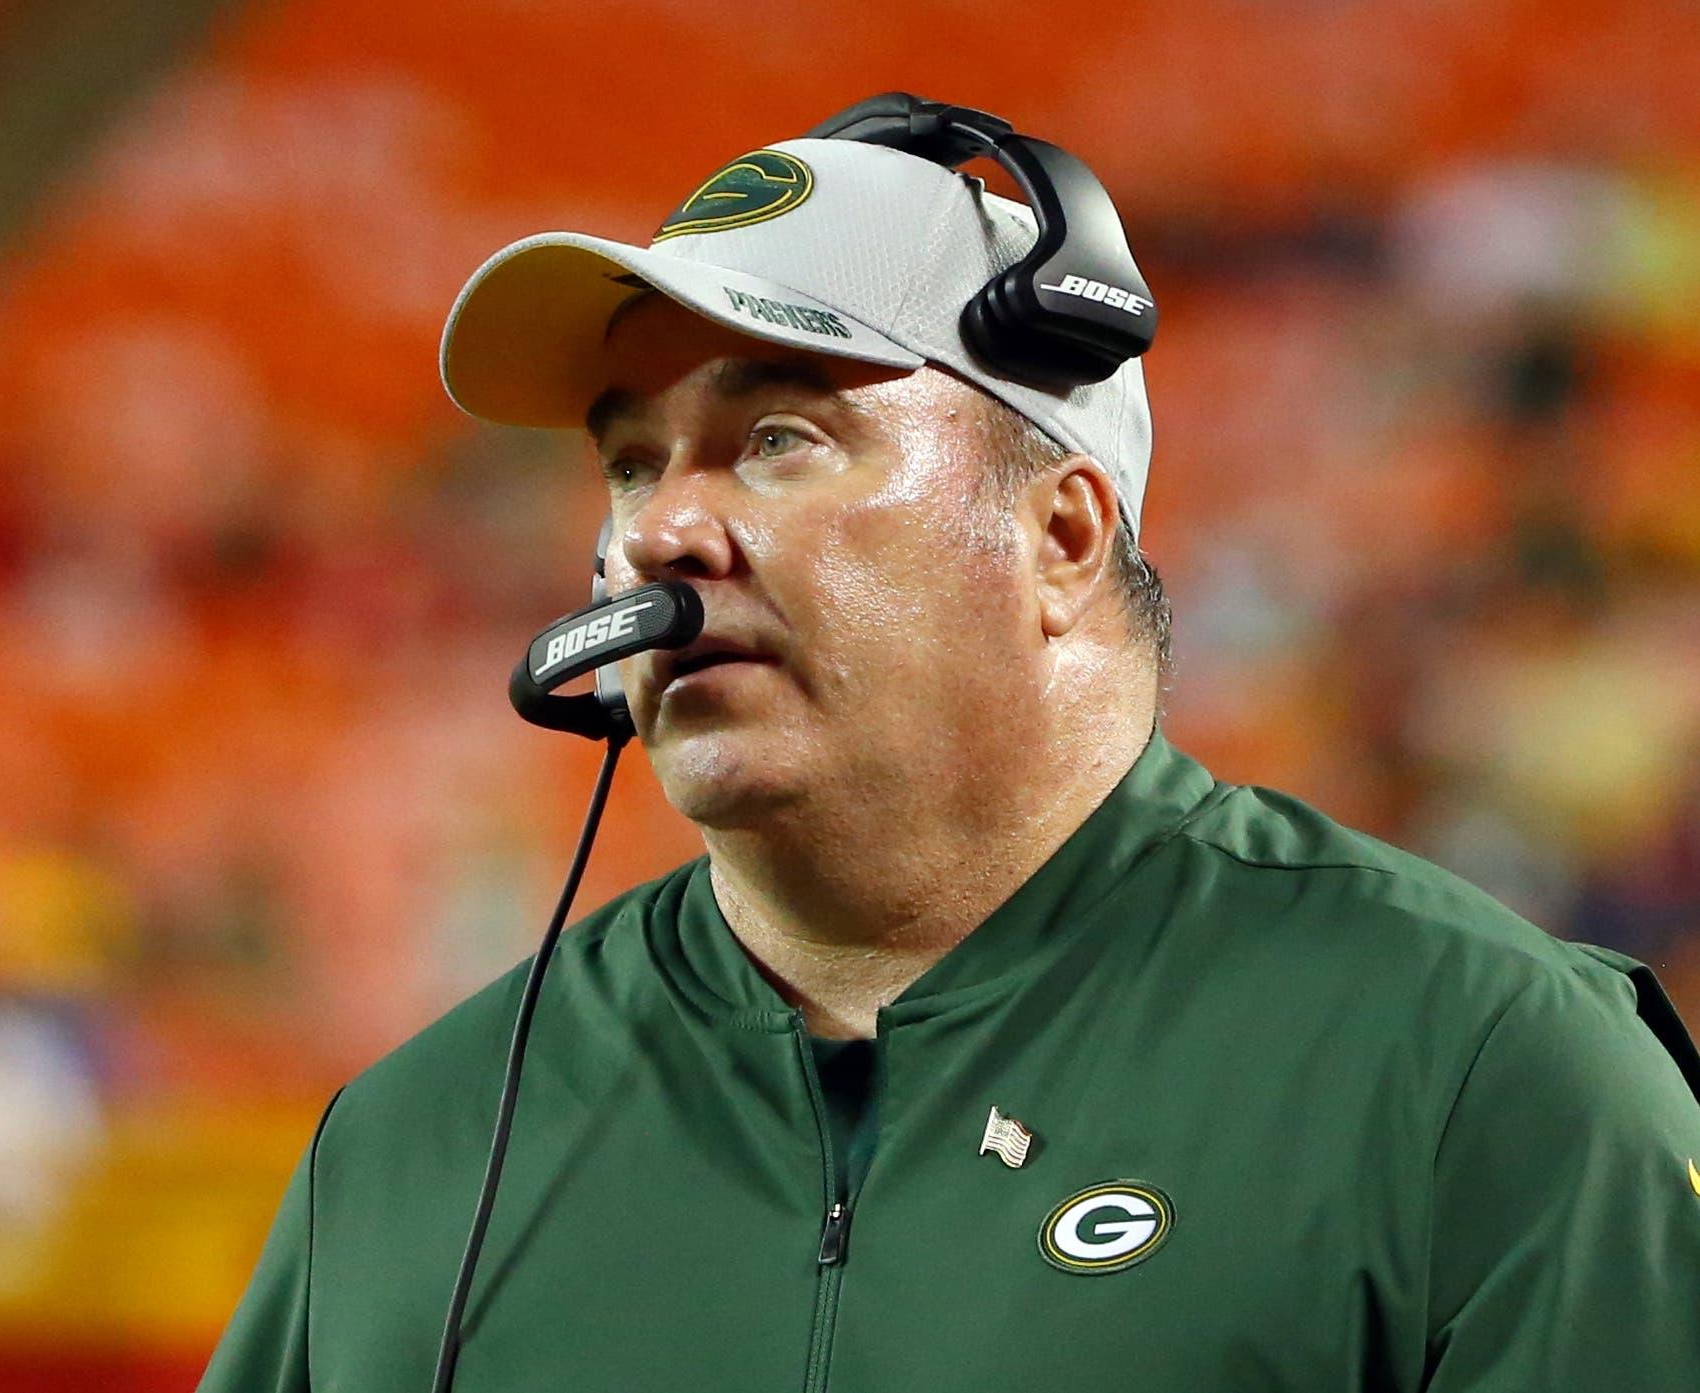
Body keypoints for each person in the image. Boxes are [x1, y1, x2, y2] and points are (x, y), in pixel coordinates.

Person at [198, 112, 1700, 1392]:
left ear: (1056, 536)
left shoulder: (1479, 1072)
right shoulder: (411, 1148)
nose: (657, 529)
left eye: (780, 435)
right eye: (631, 459)